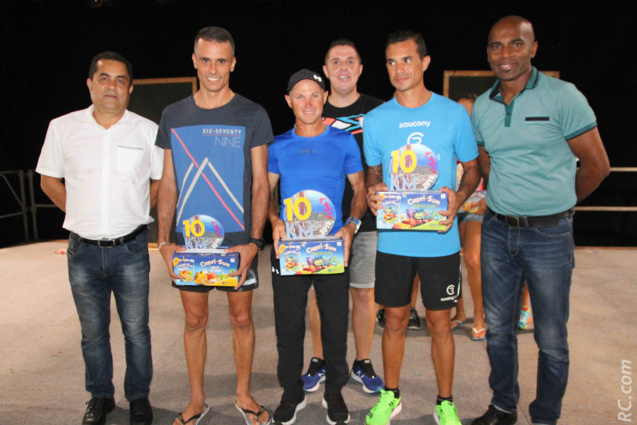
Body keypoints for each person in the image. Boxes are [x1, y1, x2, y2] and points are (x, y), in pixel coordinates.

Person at [471, 16, 610, 425]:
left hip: (550, 235)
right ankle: (502, 407)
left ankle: (545, 417)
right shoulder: (482, 105)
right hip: (496, 231)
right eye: (496, 47)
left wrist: (559, 205)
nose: (505, 54)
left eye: (515, 44)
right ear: (488, 55)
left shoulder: (563, 96)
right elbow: (487, 166)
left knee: (551, 339)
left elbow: (597, 167)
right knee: (498, 332)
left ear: (533, 48)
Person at [36, 51, 162, 425]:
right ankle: (100, 397)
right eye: (104, 78)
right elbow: (47, 180)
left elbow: (159, 180)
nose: (112, 86)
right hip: (83, 251)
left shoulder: (146, 130)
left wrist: (138, 210)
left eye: (120, 80)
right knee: (92, 334)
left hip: (132, 249)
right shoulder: (62, 128)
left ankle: (139, 396)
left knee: (137, 331)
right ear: (90, 83)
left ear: (130, 89)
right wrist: (79, 214)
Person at [155, 27, 272, 425]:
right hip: (189, 242)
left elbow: (261, 183)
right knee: (194, 321)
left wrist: (255, 242)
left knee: (242, 318)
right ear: (193, 60)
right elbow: (168, 183)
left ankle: (243, 394)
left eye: (221, 61)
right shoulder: (173, 115)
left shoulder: (252, 113)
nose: (213, 69)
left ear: (233, 63)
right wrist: (163, 241)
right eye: (205, 60)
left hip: (237, 240)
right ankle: (197, 399)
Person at [364, 31, 481, 425]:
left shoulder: (453, 114)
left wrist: (458, 197)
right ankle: (390, 396)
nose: (399, 69)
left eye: (407, 60)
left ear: (425, 62)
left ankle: (444, 402)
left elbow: (475, 168)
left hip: (439, 241)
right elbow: (374, 176)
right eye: (392, 62)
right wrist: (372, 192)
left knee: (439, 324)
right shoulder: (376, 119)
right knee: (393, 320)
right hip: (394, 242)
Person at [268, 69, 366, 425]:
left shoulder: (343, 141)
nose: (307, 102)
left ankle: (334, 391)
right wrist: (274, 221)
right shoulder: (277, 145)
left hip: (331, 249)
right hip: (290, 250)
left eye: (314, 95)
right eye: (299, 96)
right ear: (288, 101)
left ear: (324, 97)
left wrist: (352, 226)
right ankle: (291, 392)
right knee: (288, 325)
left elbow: (359, 189)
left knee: (335, 324)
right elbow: (264, 192)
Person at [302, 39, 385, 395]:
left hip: (366, 223)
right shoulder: (312, 111)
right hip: (321, 225)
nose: (343, 68)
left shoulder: (379, 112)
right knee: (320, 298)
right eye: (336, 62)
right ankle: (319, 359)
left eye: (350, 61)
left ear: (361, 68)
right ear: (325, 70)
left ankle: (362, 362)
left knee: (363, 295)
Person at [450, 95, 488, 341]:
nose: (465, 116)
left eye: (470, 112)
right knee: (451, 262)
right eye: (461, 111)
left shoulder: (484, 140)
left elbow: (496, 168)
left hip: (476, 206)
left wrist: (491, 196)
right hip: (450, 206)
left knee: (473, 260)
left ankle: (481, 315)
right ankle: (460, 311)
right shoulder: (448, 137)